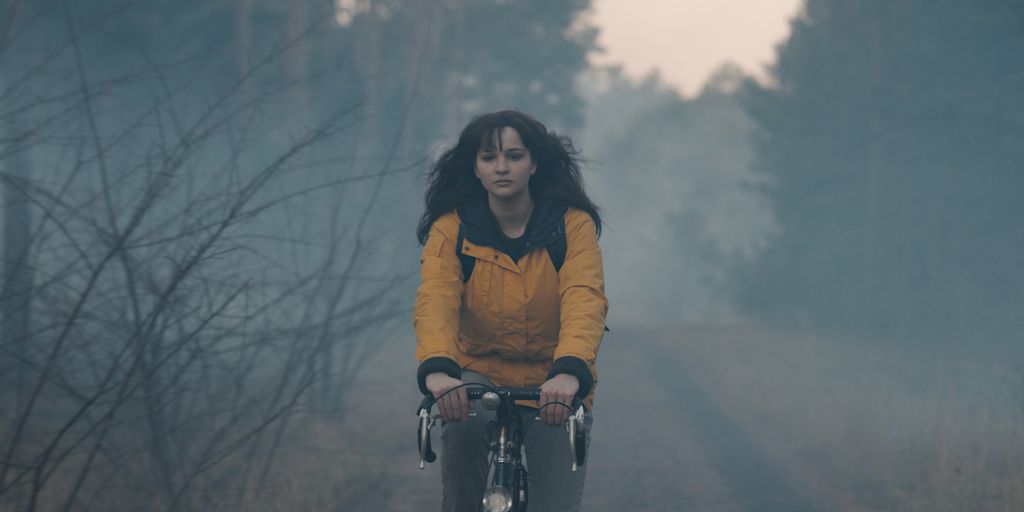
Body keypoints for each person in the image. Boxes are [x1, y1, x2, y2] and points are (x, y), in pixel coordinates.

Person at [414, 110, 608, 511]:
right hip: (477, 374)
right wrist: (438, 370)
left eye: (514, 156)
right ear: (475, 167)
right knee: (461, 434)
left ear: (534, 163)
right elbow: (436, 298)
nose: (501, 167)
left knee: (555, 502)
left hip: (553, 379)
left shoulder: (572, 226)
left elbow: (584, 297)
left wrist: (570, 372)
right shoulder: (452, 229)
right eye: (489, 157)